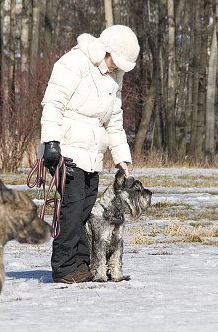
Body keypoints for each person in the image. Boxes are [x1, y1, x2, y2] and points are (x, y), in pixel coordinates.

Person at [38, 25, 140, 284]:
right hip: (66, 150)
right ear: (107, 50)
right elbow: (53, 102)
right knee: (72, 210)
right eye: (117, 61)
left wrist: (122, 157)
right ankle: (63, 266)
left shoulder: (114, 77)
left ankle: (83, 264)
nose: (119, 68)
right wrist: (51, 143)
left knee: (87, 209)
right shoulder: (75, 62)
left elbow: (114, 121)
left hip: (93, 154)